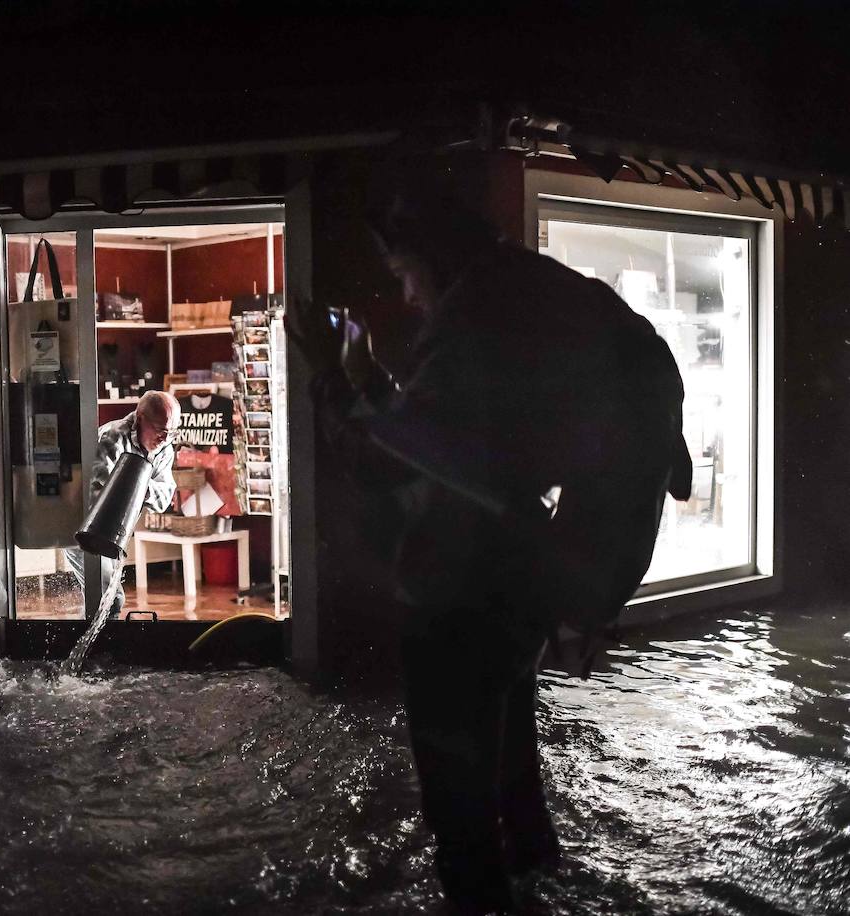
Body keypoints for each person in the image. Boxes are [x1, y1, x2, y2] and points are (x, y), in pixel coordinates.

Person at [289, 183, 692, 914]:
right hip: (521, 588)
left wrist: (326, 379)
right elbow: (447, 442)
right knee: (514, 789)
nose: (408, 297)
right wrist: (370, 378)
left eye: (406, 274)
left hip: (456, 600)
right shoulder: (545, 292)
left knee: (463, 828)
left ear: (438, 257)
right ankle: (543, 886)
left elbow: (388, 463)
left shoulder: (474, 318)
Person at [66, 389, 180, 617]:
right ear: (140, 419)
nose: (165, 439)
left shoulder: (164, 446)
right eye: (160, 430)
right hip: (81, 530)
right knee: (110, 599)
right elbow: (100, 497)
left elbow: (165, 496)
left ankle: (88, 647)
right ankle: (89, 649)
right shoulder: (111, 439)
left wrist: (137, 486)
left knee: (104, 603)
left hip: (113, 534)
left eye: (172, 432)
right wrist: (139, 487)